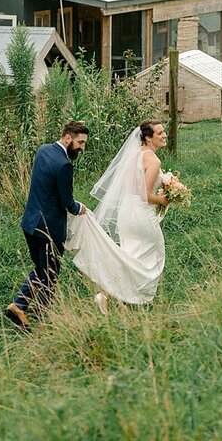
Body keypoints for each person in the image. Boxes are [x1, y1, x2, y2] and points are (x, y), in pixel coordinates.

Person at [66, 120, 171, 313]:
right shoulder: (154, 161)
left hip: (126, 212)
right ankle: (132, 296)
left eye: (164, 131)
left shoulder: (133, 155)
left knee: (128, 255)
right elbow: (145, 195)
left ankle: (106, 294)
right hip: (141, 214)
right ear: (148, 138)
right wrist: (164, 200)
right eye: (160, 133)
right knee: (152, 254)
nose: (164, 135)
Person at [4, 120, 89, 331]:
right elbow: (67, 203)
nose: (82, 147)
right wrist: (80, 208)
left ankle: (19, 306)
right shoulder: (64, 165)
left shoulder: (43, 150)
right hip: (49, 229)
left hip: (30, 223)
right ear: (68, 138)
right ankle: (40, 316)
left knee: (42, 269)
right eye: (80, 142)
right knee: (49, 275)